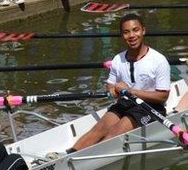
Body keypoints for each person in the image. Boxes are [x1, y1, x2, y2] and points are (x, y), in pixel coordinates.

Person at [66, 13, 171, 153]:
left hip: (150, 107)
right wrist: (111, 89)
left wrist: (131, 91)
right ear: (122, 35)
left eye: (136, 30)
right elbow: (110, 84)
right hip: (126, 103)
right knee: (99, 128)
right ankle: (69, 154)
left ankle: (90, 157)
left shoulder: (159, 60)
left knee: (114, 132)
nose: (132, 35)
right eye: (126, 32)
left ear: (143, 30)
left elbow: (163, 96)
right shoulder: (118, 59)